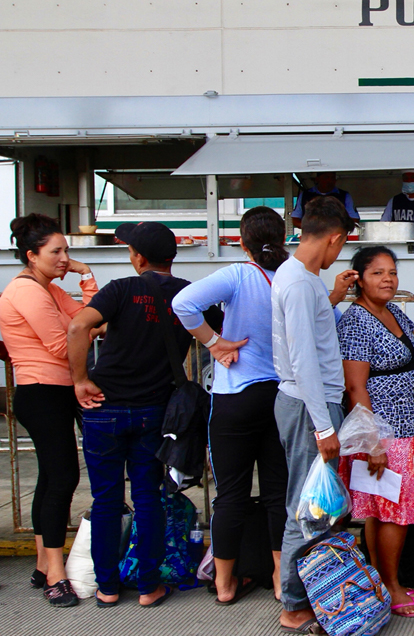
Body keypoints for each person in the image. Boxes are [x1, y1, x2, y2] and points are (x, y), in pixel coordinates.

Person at [67, 221, 220, 609]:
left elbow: (78, 326)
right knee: (148, 496)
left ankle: (107, 588)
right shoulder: (190, 295)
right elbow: (221, 331)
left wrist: (80, 380)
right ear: (172, 257)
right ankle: (149, 588)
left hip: (103, 407)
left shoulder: (121, 289)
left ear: (137, 257)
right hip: (154, 412)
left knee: (105, 499)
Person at [172, 207, 292, 605]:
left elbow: (183, 303)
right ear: (284, 239)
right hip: (280, 398)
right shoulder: (294, 278)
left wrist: (213, 342)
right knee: (277, 493)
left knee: (230, 495)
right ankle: (280, 580)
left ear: (242, 243)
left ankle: (224, 584)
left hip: (234, 398)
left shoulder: (239, 274)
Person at [271, 196, 359, 634]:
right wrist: (324, 426)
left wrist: (334, 296)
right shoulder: (299, 284)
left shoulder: (298, 277)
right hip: (311, 407)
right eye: (340, 247)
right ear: (335, 238)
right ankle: (294, 604)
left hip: (309, 403)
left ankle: (310, 596)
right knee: (308, 509)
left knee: (317, 507)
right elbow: (303, 359)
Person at [0, 214, 96, 607]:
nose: (64, 259)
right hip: (41, 393)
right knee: (61, 479)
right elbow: (62, 345)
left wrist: (86, 275)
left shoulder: (49, 289)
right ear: (32, 255)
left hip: (57, 391)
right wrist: (84, 332)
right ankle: (55, 575)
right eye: (56, 252)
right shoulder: (26, 291)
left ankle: (44, 564)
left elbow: (92, 320)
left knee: (52, 479)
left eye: (66, 251)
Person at [336, 246, 414, 618]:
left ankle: (382, 583)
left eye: (392, 272)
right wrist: (372, 441)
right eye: (377, 273)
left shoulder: (392, 311)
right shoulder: (356, 322)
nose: (388, 279)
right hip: (385, 435)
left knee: (382, 511)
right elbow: (355, 386)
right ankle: (392, 588)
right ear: (359, 279)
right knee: (393, 513)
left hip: (406, 431)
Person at [291, 171, 359, 229]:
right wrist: (311, 228)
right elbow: (295, 219)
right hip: (312, 237)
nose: (330, 181)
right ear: (317, 179)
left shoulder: (344, 195)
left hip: (336, 236)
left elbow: (354, 219)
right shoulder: (305, 195)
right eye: (326, 177)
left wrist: (338, 229)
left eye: (332, 178)